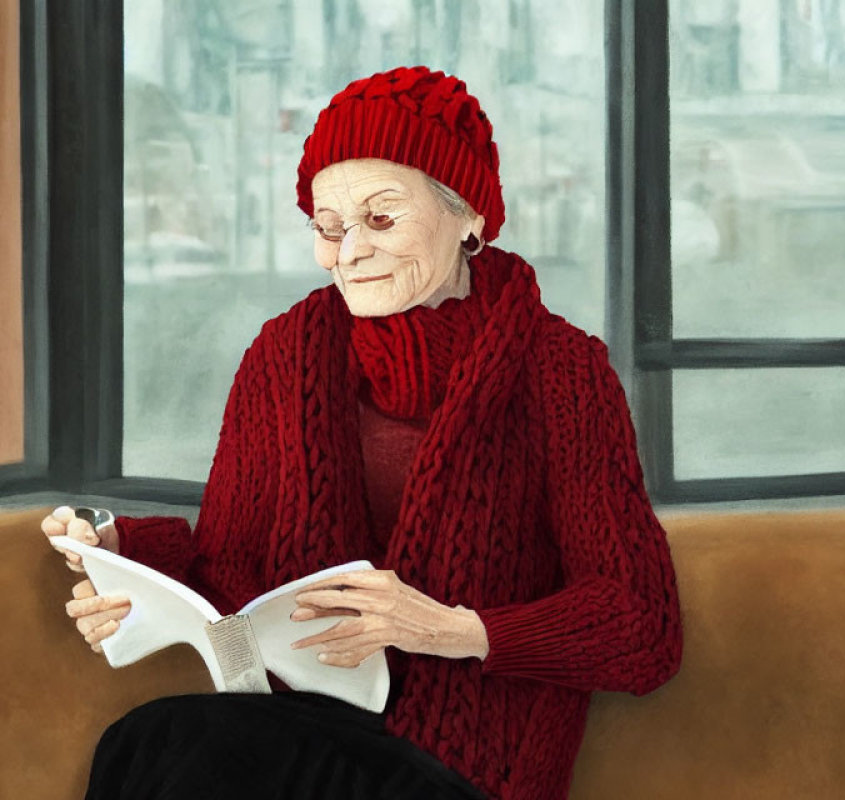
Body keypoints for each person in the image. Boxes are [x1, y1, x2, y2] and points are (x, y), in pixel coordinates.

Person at [42, 66, 683, 800]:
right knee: (153, 743)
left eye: (381, 219)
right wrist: (125, 562)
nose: (347, 252)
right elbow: (231, 570)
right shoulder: (283, 355)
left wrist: (450, 629)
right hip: (299, 741)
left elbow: (644, 629)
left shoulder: (562, 369)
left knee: (169, 745)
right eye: (327, 226)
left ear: (469, 214)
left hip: (470, 770)